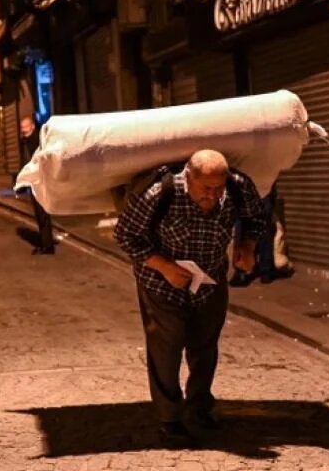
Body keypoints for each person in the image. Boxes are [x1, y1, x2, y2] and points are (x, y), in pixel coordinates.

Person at [114, 150, 267, 443]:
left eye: (218, 188)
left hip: (210, 281)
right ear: (189, 177)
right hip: (161, 282)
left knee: (205, 346)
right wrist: (165, 266)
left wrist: (246, 245)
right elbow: (125, 235)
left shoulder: (237, 186)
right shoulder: (161, 192)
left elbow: (255, 217)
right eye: (206, 188)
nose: (213, 195)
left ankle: (199, 406)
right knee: (166, 347)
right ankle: (168, 417)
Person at [18, 115, 56, 255]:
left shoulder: (38, 140)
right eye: (22, 127)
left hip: (41, 180)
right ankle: (44, 242)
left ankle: (48, 245)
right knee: (39, 214)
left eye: (26, 127)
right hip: (33, 181)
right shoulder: (24, 141)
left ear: (32, 126)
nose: (23, 129)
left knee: (43, 213)